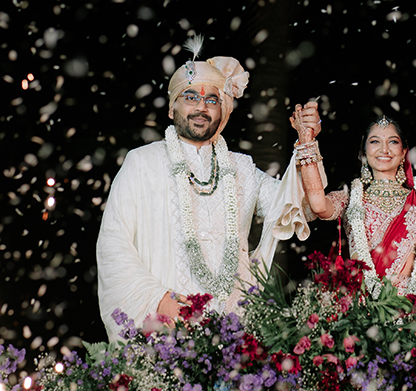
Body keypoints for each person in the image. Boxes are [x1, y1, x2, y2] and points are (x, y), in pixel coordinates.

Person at [95, 37, 326, 341]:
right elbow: (113, 245)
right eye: (190, 97)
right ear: (171, 108)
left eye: (212, 100)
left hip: (231, 335)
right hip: (166, 328)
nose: (201, 107)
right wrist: (157, 300)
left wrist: (307, 143)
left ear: (222, 111)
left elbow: (303, 206)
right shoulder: (142, 163)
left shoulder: (242, 168)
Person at [295, 113, 416, 299]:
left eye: (393, 142)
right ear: (363, 152)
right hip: (360, 312)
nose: (384, 149)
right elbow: (317, 205)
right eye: (375, 141)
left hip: (412, 312)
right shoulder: (350, 198)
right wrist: (306, 140)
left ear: (404, 151)